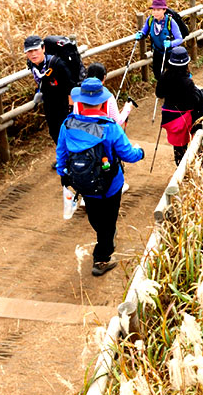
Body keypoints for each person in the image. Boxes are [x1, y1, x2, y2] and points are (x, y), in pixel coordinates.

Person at [55, 77, 145, 277]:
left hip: (83, 183)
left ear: (79, 101)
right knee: (108, 221)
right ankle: (101, 259)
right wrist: (141, 152)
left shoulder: (67, 125)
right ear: (104, 102)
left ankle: (104, 237)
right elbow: (128, 155)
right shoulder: (110, 127)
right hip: (110, 184)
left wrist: (63, 173)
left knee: (96, 217)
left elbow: (61, 152)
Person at [156, 47, 203, 165]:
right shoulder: (187, 82)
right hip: (185, 118)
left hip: (169, 117)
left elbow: (159, 94)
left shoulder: (164, 77)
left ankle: (180, 168)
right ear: (186, 64)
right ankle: (199, 164)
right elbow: (194, 101)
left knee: (179, 148)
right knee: (197, 140)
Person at [24, 35, 76, 145]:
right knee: (54, 132)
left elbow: (70, 87)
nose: (33, 54)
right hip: (49, 101)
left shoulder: (57, 64)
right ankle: (63, 159)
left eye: (36, 50)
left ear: (43, 49)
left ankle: (73, 159)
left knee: (69, 131)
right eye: (29, 51)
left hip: (64, 102)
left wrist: (70, 109)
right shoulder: (32, 65)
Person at [134, 0, 185, 80]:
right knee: (158, 75)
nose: (155, 12)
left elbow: (179, 39)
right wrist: (140, 34)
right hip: (157, 52)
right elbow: (144, 31)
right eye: (154, 10)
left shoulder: (170, 21)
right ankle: (163, 91)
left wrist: (171, 43)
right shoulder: (150, 20)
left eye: (158, 10)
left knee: (174, 76)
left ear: (164, 10)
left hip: (170, 53)